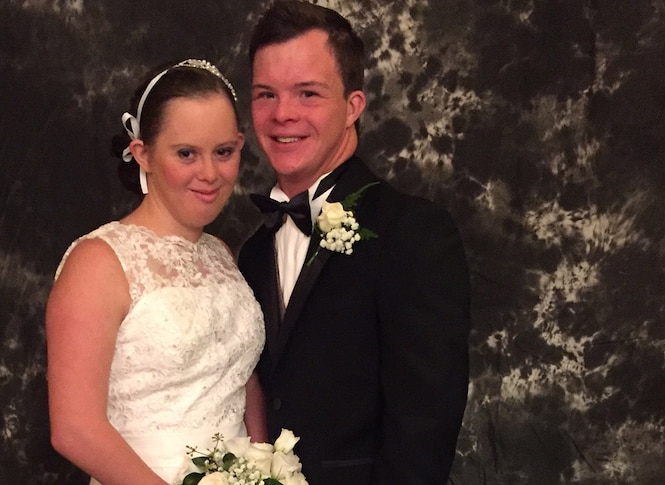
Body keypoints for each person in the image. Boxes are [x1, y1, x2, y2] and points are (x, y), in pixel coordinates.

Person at [237, 2, 472, 484]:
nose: (283, 114)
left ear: (353, 107)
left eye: (307, 93)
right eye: (266, 94)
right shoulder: (253, 252)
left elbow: (423, 435)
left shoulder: (413, 233)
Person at [46, 59, 267, 485]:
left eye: (223, 152)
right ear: (142, 154)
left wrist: (262, 468)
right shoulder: (97, 262)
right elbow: (75, 430)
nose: (209, 173)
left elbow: (242, 378)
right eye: (186, 153)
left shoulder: (221, 254)